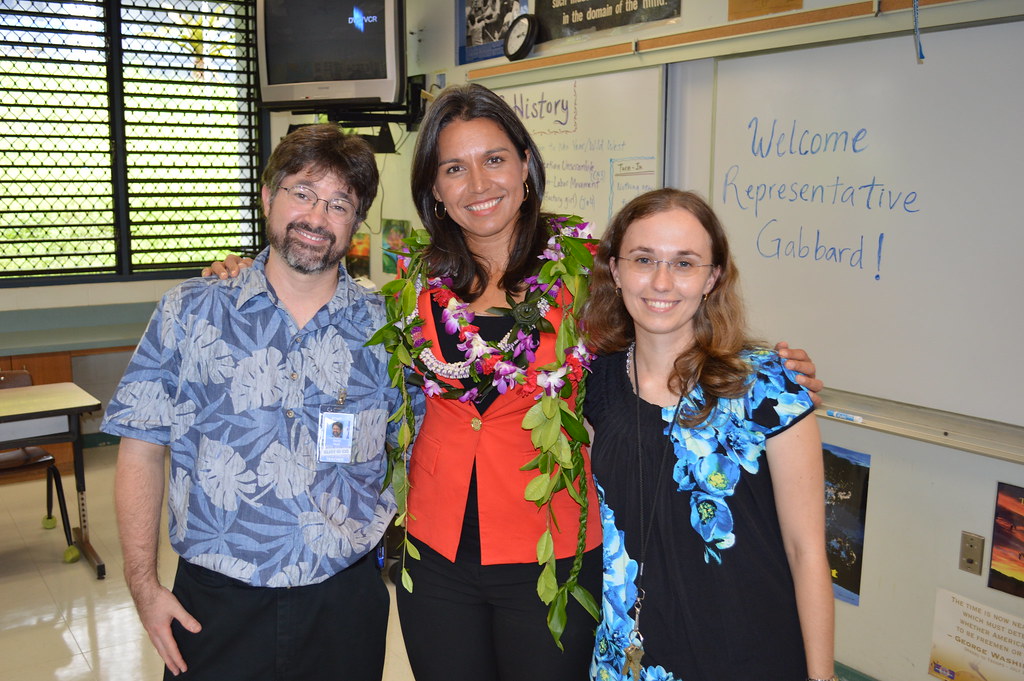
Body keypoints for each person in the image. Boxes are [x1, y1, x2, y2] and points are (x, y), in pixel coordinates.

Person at [206, 84, 823, 681]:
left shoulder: (585, 273)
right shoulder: (414, 283)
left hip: (550, 548)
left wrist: (763, 368)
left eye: (495, 160)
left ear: (525, 165)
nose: (478, 184)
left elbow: (665, 315)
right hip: (435, 551)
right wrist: (243, 268)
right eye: (454, 168)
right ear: (434, 189)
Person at [103, 124, 413, 680]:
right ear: (268, 197)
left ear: (357, 221)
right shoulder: (190, 312)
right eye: (302, 193)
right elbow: (141, 449)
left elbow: (423, 452)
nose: (316, 217)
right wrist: (143, 586)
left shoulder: (389, 332)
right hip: (214, 603)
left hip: (343, 601)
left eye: (339, 204)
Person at [580, 188, 835, 681]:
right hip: (627, 660)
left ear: (712, 278)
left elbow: (806, 552)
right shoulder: (591, 383)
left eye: (684, 263)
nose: (661, 281)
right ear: (615, 270)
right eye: (643, 259)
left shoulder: (769, 385)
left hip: (750, 657)